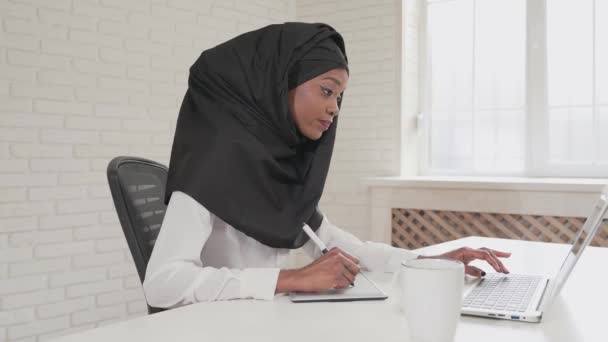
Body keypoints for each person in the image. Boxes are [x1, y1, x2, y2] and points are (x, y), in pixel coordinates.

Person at [143, 22, 511, 309]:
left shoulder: (276, 170)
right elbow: (162, 282)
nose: (335, 107)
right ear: (279, 84)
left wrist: (431, 262)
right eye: (326, 90)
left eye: (339, 96)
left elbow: (341, 246)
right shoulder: (212, 168)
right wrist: (291, 279)